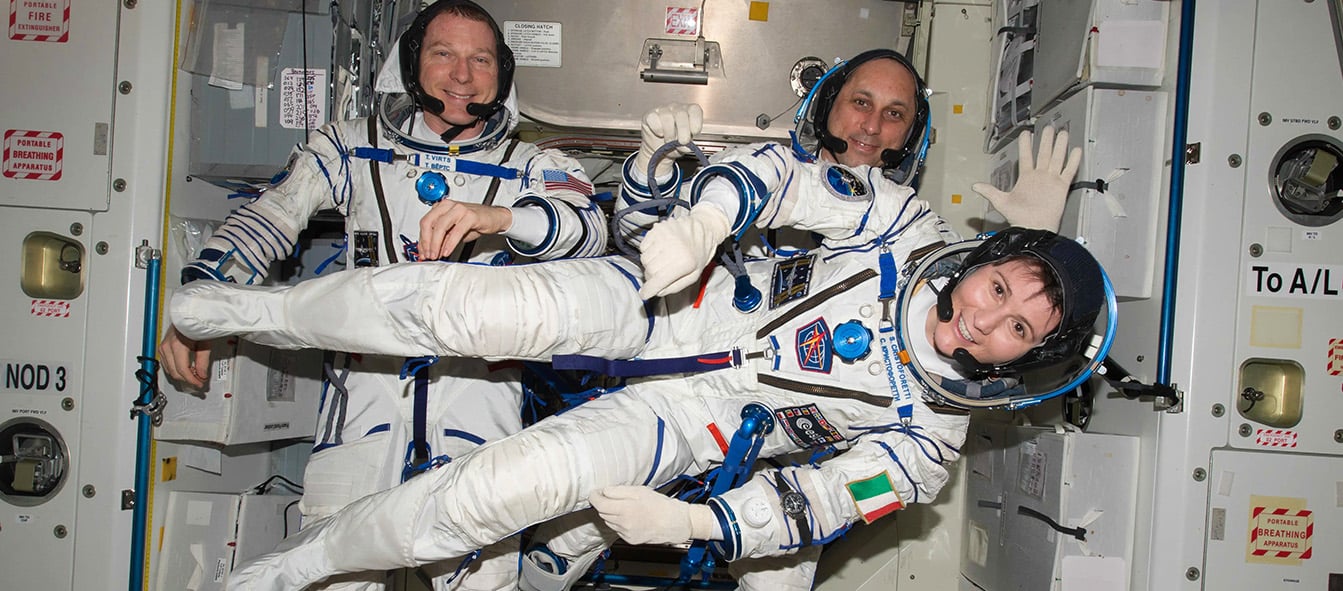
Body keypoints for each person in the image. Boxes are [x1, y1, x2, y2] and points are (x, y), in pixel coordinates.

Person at [167, 93, 1101, 589]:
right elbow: (784, 180)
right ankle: (255, 313)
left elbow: (816, 504)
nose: (985, 315)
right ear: (986, 260)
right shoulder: (902, 225)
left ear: (1017, 366)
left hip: (691, 421)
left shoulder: (921, 448)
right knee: (457, 308)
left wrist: (700, 522)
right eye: (1002, 285)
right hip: (674, 299)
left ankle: (304, 565)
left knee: (498, 496)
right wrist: (701, 222)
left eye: (1017, 327)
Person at [156, 1, 607, 589]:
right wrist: (200, 308)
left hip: (478, 409)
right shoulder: (349, 148)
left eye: (481, 59)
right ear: (412, 63)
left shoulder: (532, 167)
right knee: (331, 574)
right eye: (443, 54)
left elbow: (590, 232)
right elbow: (267, 219)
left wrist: (500, 217)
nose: (462, 74)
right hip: (364, 410)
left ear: (504, 73)